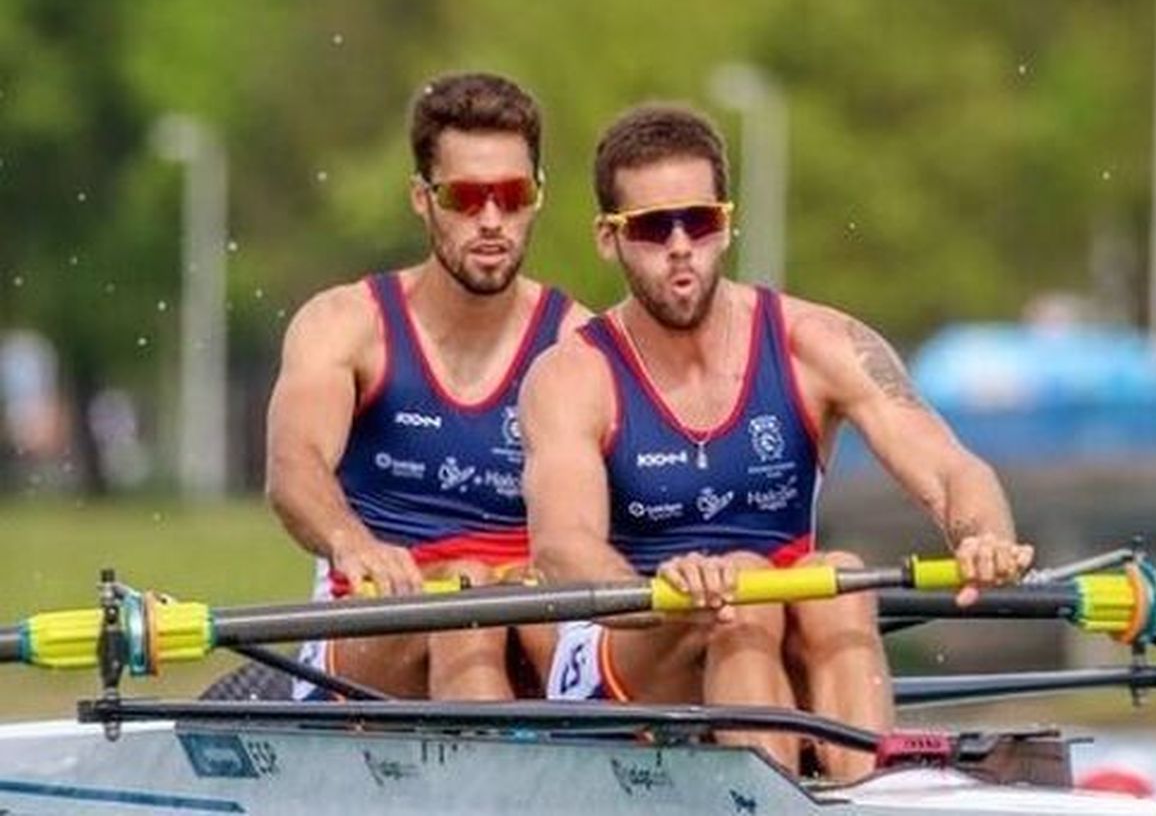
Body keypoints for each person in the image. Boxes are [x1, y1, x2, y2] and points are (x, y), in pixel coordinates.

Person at [522, 103, 1033, 779]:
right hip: (632, 639)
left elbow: (951, 471)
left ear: (726, 223)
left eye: (699, 222)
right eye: (651, 227)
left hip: (778, 613)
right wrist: (660, 589)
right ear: (607, 238)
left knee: (841, 579)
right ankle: (771, 787)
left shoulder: (817, 342)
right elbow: (562, 546)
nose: (680, 245)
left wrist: (982, 537)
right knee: (747, 596)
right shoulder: (572, 375)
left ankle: (865, 790)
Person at [265, 72, 588, 700]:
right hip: (380, 620)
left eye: (513, 194)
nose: (492, 220)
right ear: (422, 197)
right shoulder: (346, 326)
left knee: (506, 600)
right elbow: (293, 469)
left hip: (532, 611)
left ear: (538, 194)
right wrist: (352, 543)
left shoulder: (579, 343)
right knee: (467, 603)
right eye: (466, 197)